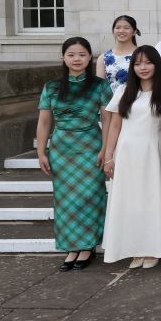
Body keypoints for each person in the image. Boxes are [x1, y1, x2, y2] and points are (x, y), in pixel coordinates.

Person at [36, 37, 114, 271]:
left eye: (82, 54)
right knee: (65, 200)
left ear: (89, 57)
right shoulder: (51, 87)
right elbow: (44, 122)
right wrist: (41, 152)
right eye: (71, 54)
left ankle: (88, 246)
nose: (76, 59)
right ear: (63, 57)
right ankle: (71, 247)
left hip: (91, 145)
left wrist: (105, 149)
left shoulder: (100, 85)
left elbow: (108, 120)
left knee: (90, 196)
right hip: (61, 149)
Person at [101, 45, 161, 269]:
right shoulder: (123, 91)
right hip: (126, 152)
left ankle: (151, 248)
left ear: (157, 64)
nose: (143, 67)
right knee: (128, 201)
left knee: (151, 200)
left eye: (148, 62)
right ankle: (133, 248)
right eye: (138, 64)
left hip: (153, 151)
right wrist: (109, 156)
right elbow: (114, 126)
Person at [96, 15, 140, 92]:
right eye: (118, 27)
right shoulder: (103, 58)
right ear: (113, 31)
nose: (121, 31)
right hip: (111, 99)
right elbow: (100, 88)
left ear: (134, 32)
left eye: (126, 28)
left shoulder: (142, 54)